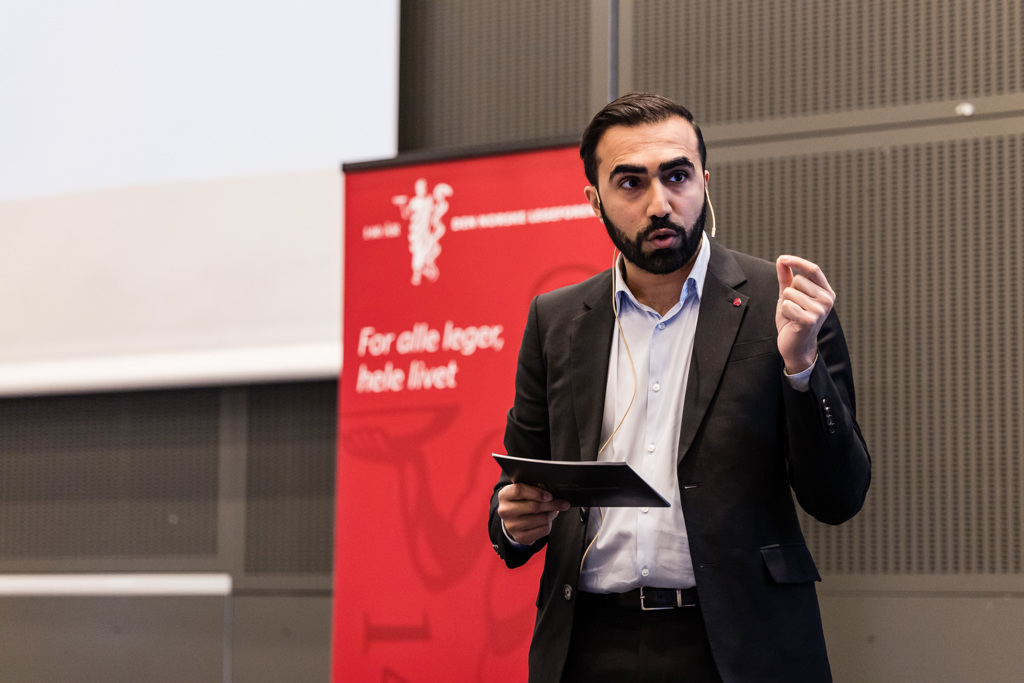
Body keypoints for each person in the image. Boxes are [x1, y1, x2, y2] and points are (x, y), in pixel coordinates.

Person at [488, 93, 871, 682]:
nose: (660, 203)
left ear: (704, 182)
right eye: (631, 183)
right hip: (588, 646)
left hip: (741, 646)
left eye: (677, 176)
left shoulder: (783, 302)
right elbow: (519, 481)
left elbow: (838, 497)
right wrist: (512, 521)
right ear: (595, 200)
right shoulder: (556, 319)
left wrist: (800, 367)